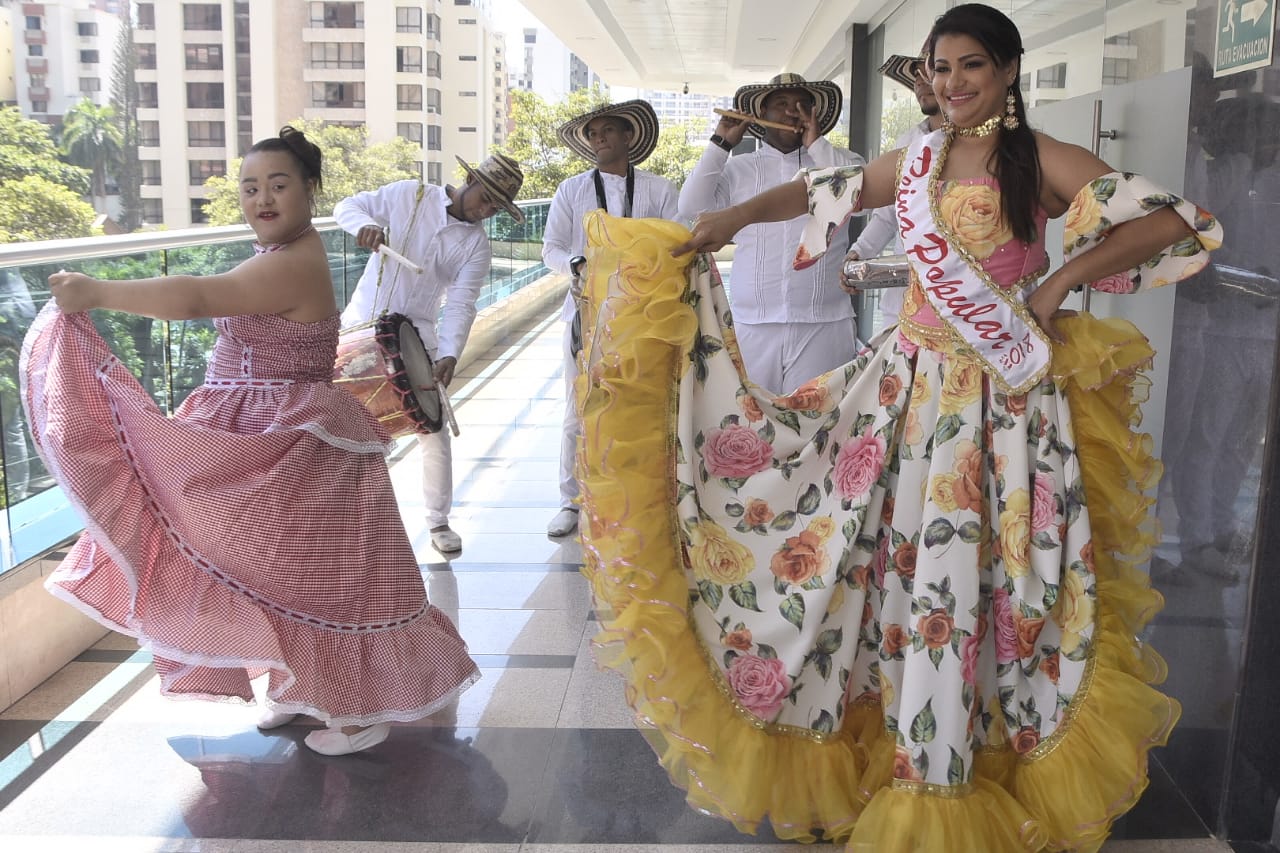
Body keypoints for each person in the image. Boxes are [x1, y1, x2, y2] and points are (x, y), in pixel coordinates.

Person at [573, 5, 1222, 850]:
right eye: (940, 68)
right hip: (906, 387)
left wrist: (1060, 285)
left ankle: (963, 751)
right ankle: (906, 733)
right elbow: (821, 194)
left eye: (971, 68)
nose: (952, 84)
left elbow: (1176, 221)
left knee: (986, 571)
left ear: (1009, 71)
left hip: (1000, 404)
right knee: (879, 560)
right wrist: (730, 222)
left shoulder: (1039, 159)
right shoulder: (920, 158)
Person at [24, 126, 480, 757]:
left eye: (279, 185)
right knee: (278, 574)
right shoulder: (280, 254)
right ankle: (301, 689)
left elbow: (198, 296)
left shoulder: (294, 262)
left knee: (323, 583)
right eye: (250, 187)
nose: (262, 198)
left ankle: (355, 710)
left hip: (300, 446)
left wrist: (99, 293)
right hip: (271, 440)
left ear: (310, 191)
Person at [336, 152, 525, 556]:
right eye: (486, 198)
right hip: (362, 324)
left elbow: (461, 302)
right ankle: (345, 517)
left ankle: (438, 520)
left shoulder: (476, 245)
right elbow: (346, 205)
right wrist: (364, 226)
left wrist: (452, 352)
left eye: (496, 206)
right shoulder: (411, 195)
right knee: (344, 424)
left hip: (418, 332)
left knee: (434, 430)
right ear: (469, 180)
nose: (487, 210)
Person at [678, 73, 866, 396]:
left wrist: (816, 145)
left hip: (824, 325)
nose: (792, 111)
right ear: (761, 115)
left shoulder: (841, 161)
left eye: (802, 104)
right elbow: (691, 207)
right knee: (755, 428)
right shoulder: (740, 168)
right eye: (780, 104)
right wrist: (720, 144)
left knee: (818, 430)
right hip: (754, 327)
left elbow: (860, 199)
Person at [542, 100, 679, 538]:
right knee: (578, 408)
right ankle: (570, 501)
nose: (598, 139)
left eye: (606, 131)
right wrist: (579, 265)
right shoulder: (571, 190)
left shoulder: (658, 189)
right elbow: (551, 250)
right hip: (586, 313)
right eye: (592, 133)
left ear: (628, 137)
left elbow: (679, 241)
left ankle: (642, 495)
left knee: (644, 404)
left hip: (644, 317)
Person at [841, 42, 943, 332]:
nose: (921, 83)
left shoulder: (1001, 147)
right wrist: (858, 253)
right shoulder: (907, 143)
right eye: (916, 76)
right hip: (903, 306)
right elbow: (888, 214)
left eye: (931, 72)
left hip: (974, 313)